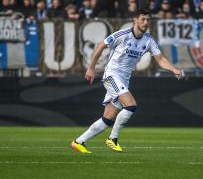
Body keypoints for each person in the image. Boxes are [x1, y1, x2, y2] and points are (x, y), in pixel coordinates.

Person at [71, 9, 184, 153]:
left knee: (108, 119)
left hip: (124, 80)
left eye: (148, 20)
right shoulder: (123, 35)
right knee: (131, 105)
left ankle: (78, 142)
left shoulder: (149, 40)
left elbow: (160, 59)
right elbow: (100, 45)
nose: (145, 23)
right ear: (135, 20)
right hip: (112, 75)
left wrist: (173, 70)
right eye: (142, 19)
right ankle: (113, 139)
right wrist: (91, 68)